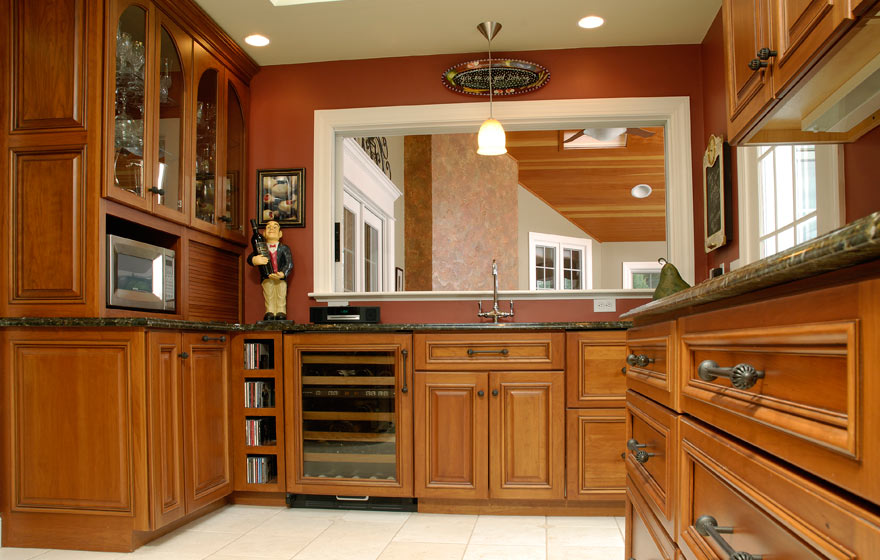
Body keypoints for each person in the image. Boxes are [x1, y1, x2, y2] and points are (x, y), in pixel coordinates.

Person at [247, 220, 293, 321]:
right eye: (268, 227)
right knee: (269, 294)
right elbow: (250, 258)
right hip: (266, 277)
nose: (271, 229)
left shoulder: (284, 248)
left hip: (280, 277)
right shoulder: (260, 248)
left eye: (275, 227)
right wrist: (255, 260)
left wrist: (283, 273)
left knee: (281, 294)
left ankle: (281, 311)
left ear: (280, 234)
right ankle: (270, 311)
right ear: (263, 233)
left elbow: (289, 263)